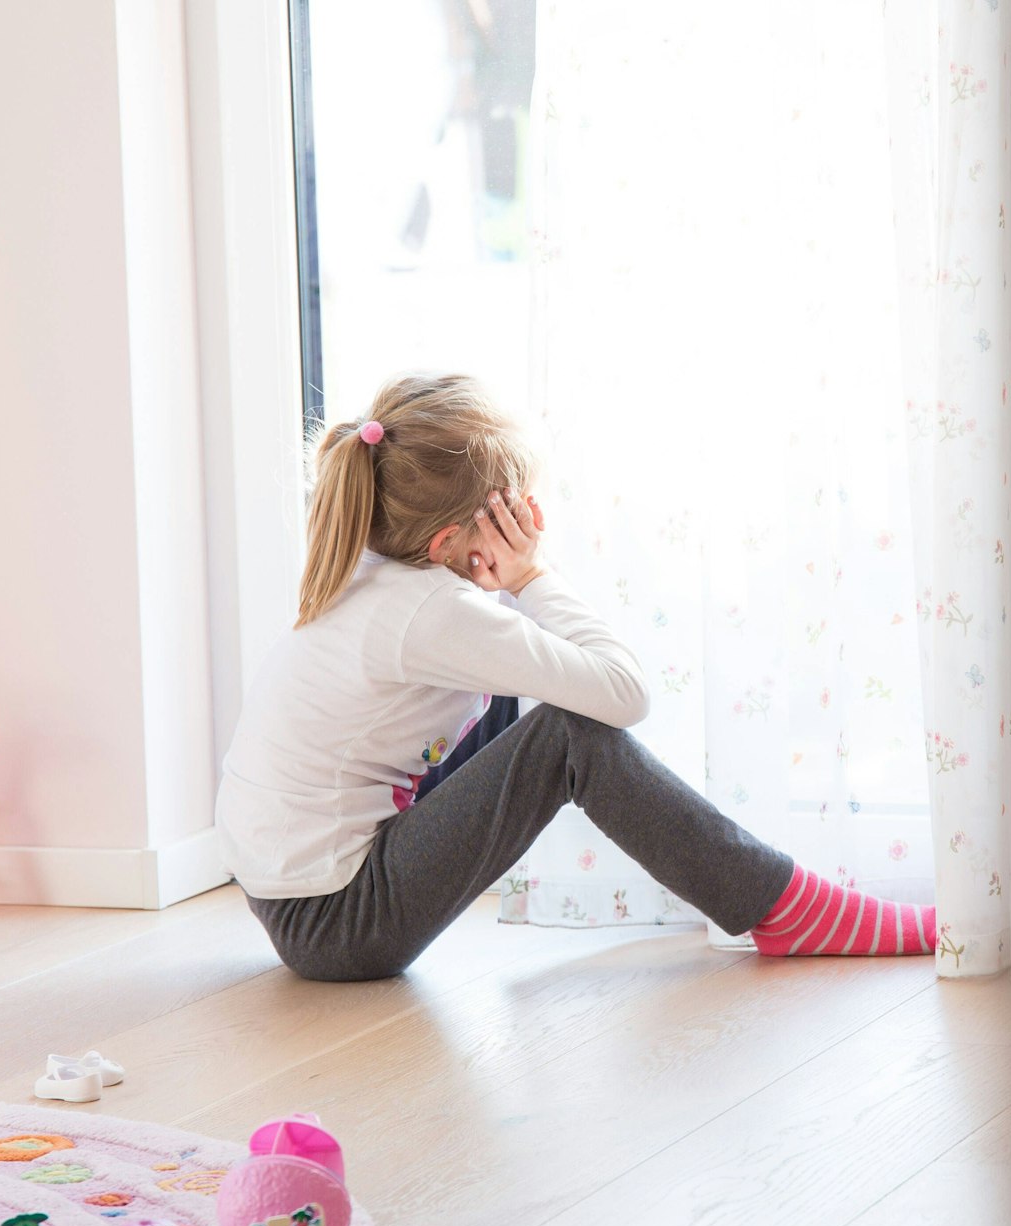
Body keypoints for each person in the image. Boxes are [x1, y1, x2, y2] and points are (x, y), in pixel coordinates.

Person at [216, 373, 936, 981]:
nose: (529, 525)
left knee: (531, 686)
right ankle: (786, 909)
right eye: (511, 514)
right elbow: (625, 694)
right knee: (570, 733)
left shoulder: (377, 569)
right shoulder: (431, 612)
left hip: (289, 893)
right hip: (339, 920)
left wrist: (511, 584)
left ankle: (764, 893)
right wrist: (532, 575)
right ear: (447, 543)